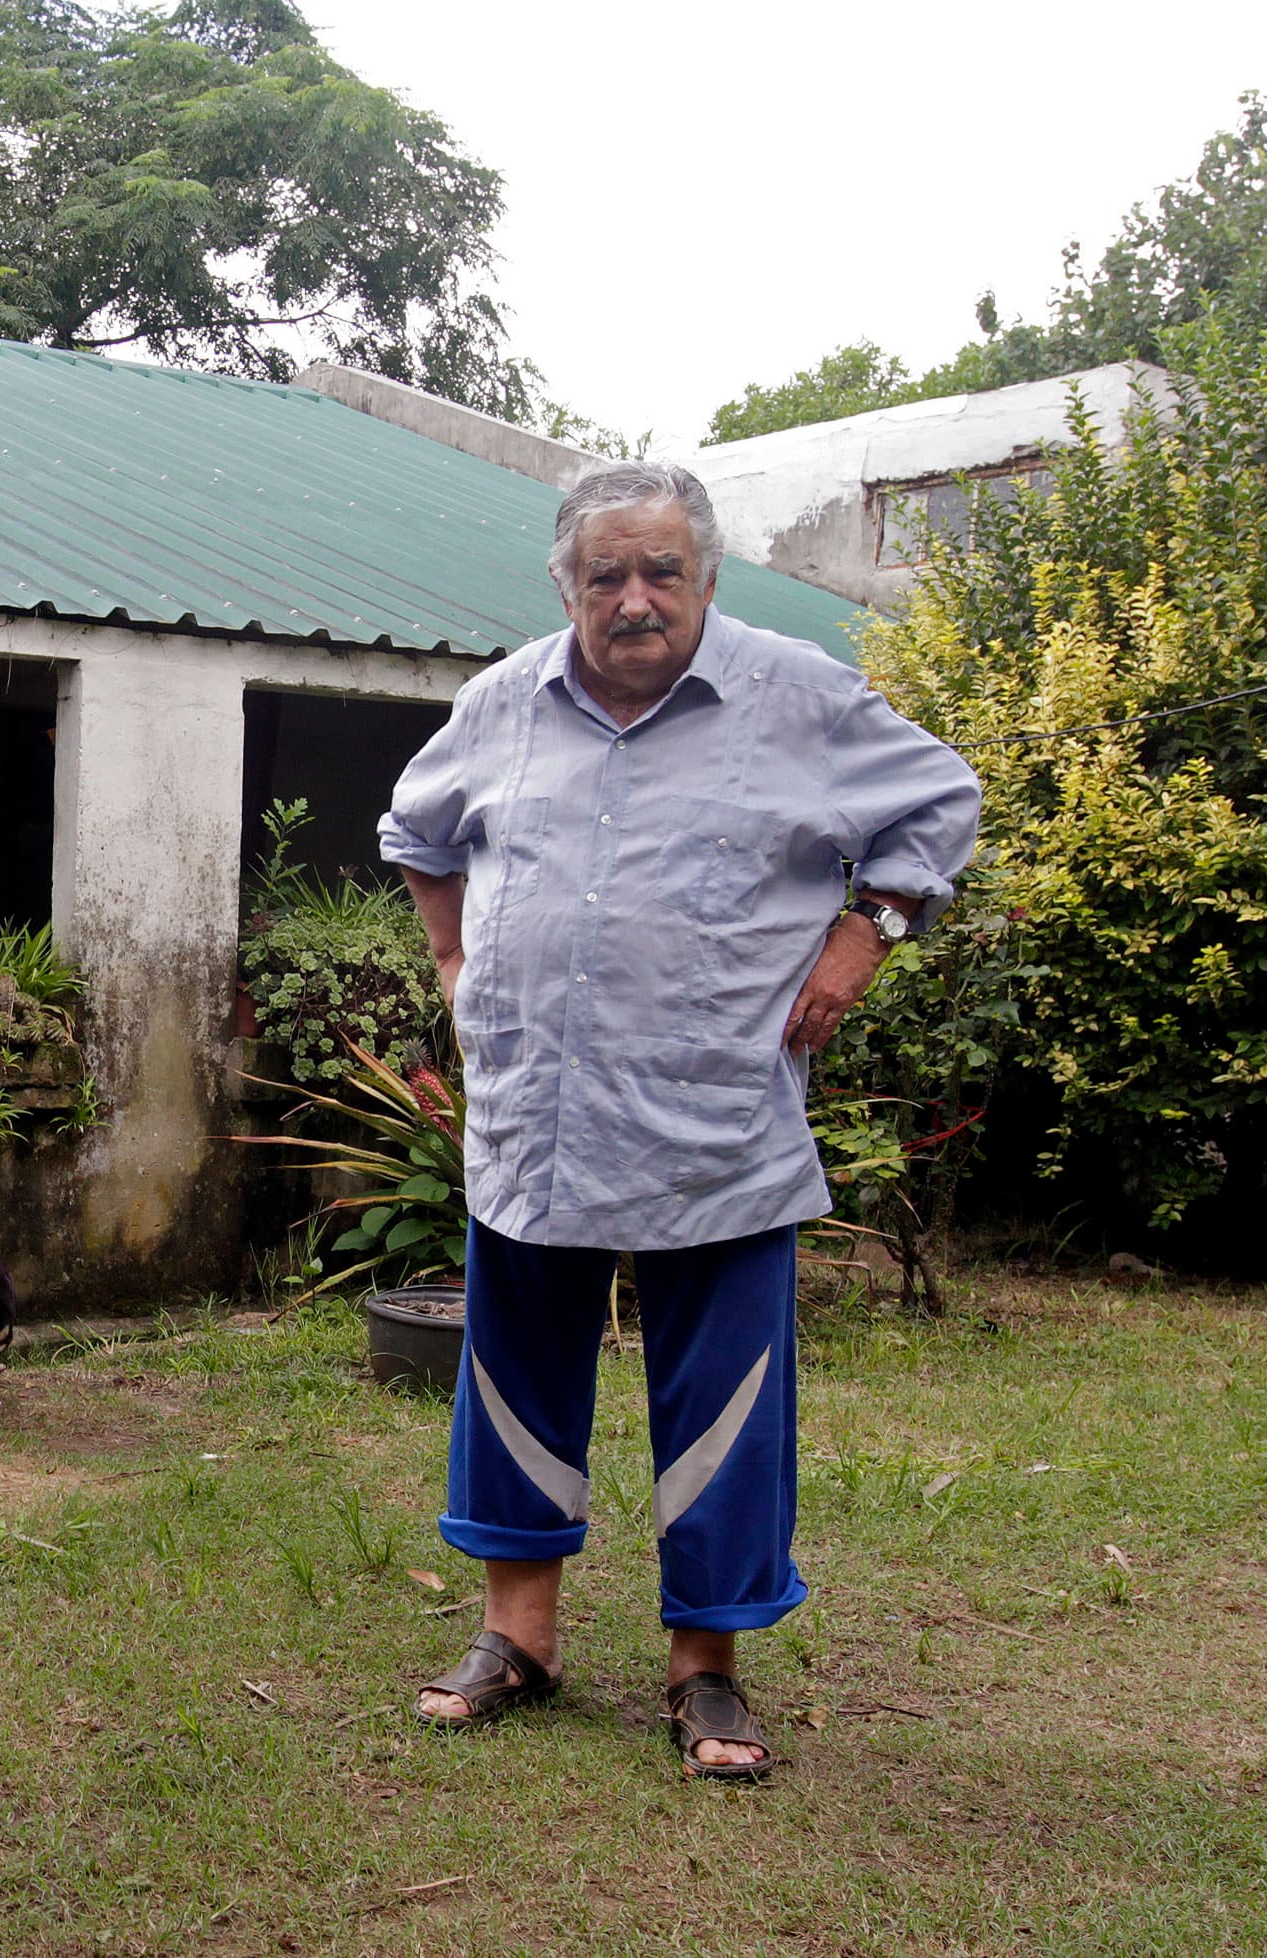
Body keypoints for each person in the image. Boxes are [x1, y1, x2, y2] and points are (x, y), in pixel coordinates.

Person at [376, 460, 979, 1780]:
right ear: (565, 584)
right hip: (536, 1115)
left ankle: (704, 1671)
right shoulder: (500, 702)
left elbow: (940, 801)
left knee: (720, 1397)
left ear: (704, 576)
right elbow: (416, 830)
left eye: (661, 571)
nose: (634, 599)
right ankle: (516, 1642)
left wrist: (861, 938)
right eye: (606, 575)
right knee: (514, 1376)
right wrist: (453, 968)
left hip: (715, 1127)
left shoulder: (797, 695)